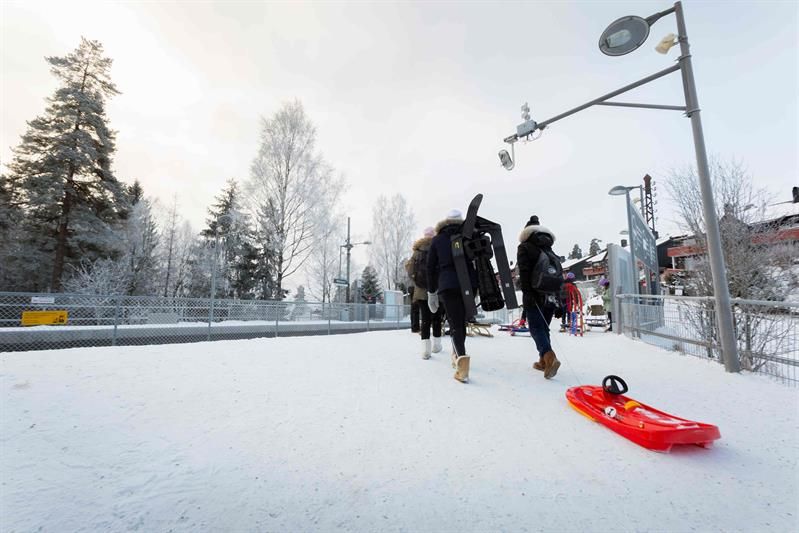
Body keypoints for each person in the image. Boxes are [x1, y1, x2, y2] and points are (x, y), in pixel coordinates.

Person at [427, 209, 478, 383]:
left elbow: (430, 268)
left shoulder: (437, 240)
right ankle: (457, 353)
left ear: (446, 222)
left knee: (455, 324)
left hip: (448, 285)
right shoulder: (469, 236)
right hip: (468, 284)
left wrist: (431, 292)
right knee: (461, 322)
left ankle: (461, 363)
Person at [517, 215, 562, 379]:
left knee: (536, 328)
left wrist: (528, 294)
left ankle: (549, 356)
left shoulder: (525, 247)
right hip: (551, 296)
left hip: (534, 295)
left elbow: (524, 273)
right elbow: (558, 276)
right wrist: (560, 303)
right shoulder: (549, 250)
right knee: (544, 328)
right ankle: (543, 361)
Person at [406, 227, 443, 359]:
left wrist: (417, 282)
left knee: (425, 320)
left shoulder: (416, 252)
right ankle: (436, 345)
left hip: (421, 291)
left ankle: (425, 351)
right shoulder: (438, 248)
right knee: (437, 318)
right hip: (437, 291)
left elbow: (410, 272)